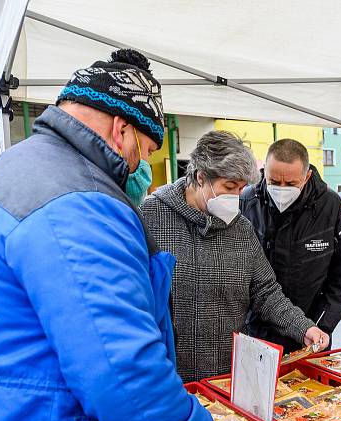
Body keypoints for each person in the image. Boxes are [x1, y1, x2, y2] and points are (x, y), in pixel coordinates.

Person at [0, 50, 237, 421]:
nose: (141, 164)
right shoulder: (79, 202)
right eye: (144, 148)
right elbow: (124, 374)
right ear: (122, 129)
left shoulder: (16, 170)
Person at [141, 131, 329, 381]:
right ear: (200, 177)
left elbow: (267, 292)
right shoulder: (151, 217)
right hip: (168, 378)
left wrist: (303, 327)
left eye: (241, 188)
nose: (237, 197)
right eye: (229, 187)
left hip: (228, 376)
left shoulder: (241, 228)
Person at [241, 139, 341, 353]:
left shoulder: (331, 206)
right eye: (274, 181)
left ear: (306, 177)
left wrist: (321, 324)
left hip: (312, 333)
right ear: (264, 172)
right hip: (255, 333)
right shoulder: (247, 201)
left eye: (290, 184)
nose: (281, 189)